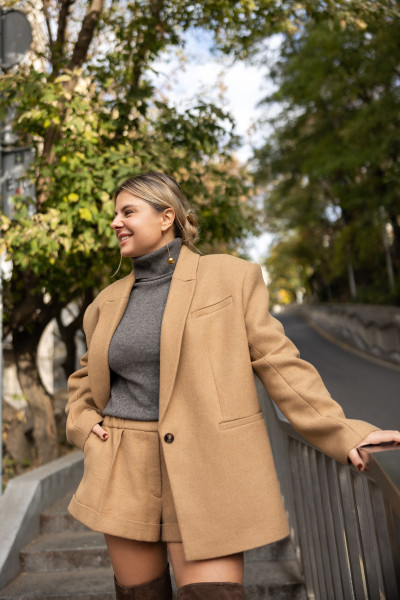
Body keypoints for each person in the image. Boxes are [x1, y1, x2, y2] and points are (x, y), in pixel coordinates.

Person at [65, 171, 400, 600]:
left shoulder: (229, 278)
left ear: (167, 216)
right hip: (124, 466)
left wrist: (345, 431)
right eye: (114, 214)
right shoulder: (104, 303)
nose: (115, 222)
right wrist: (83, 425)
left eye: (127, 211)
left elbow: (278, 361)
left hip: (206, 465)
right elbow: (83, 380)